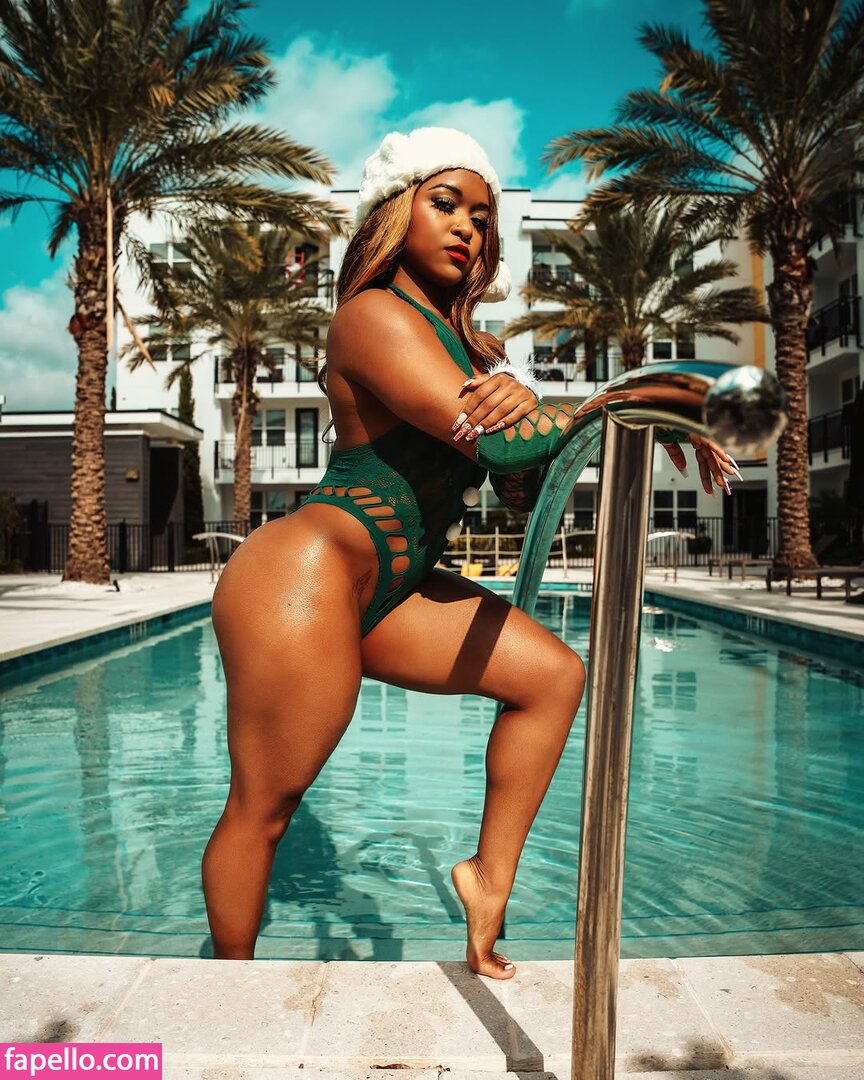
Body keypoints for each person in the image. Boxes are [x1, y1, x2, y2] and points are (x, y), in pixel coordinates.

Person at [202, 127, 742, 979]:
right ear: (395, 212)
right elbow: (491, 442)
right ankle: (225, 990)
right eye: (445, 204)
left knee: (551, 678)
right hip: (306, 576)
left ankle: (488, 881)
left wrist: (534, 404)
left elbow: (521, 477)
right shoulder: (371, 316)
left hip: (394, 586)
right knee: (265, 806)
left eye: (481, 217)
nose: (466, 227)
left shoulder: (471, 352)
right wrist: (646, 398)